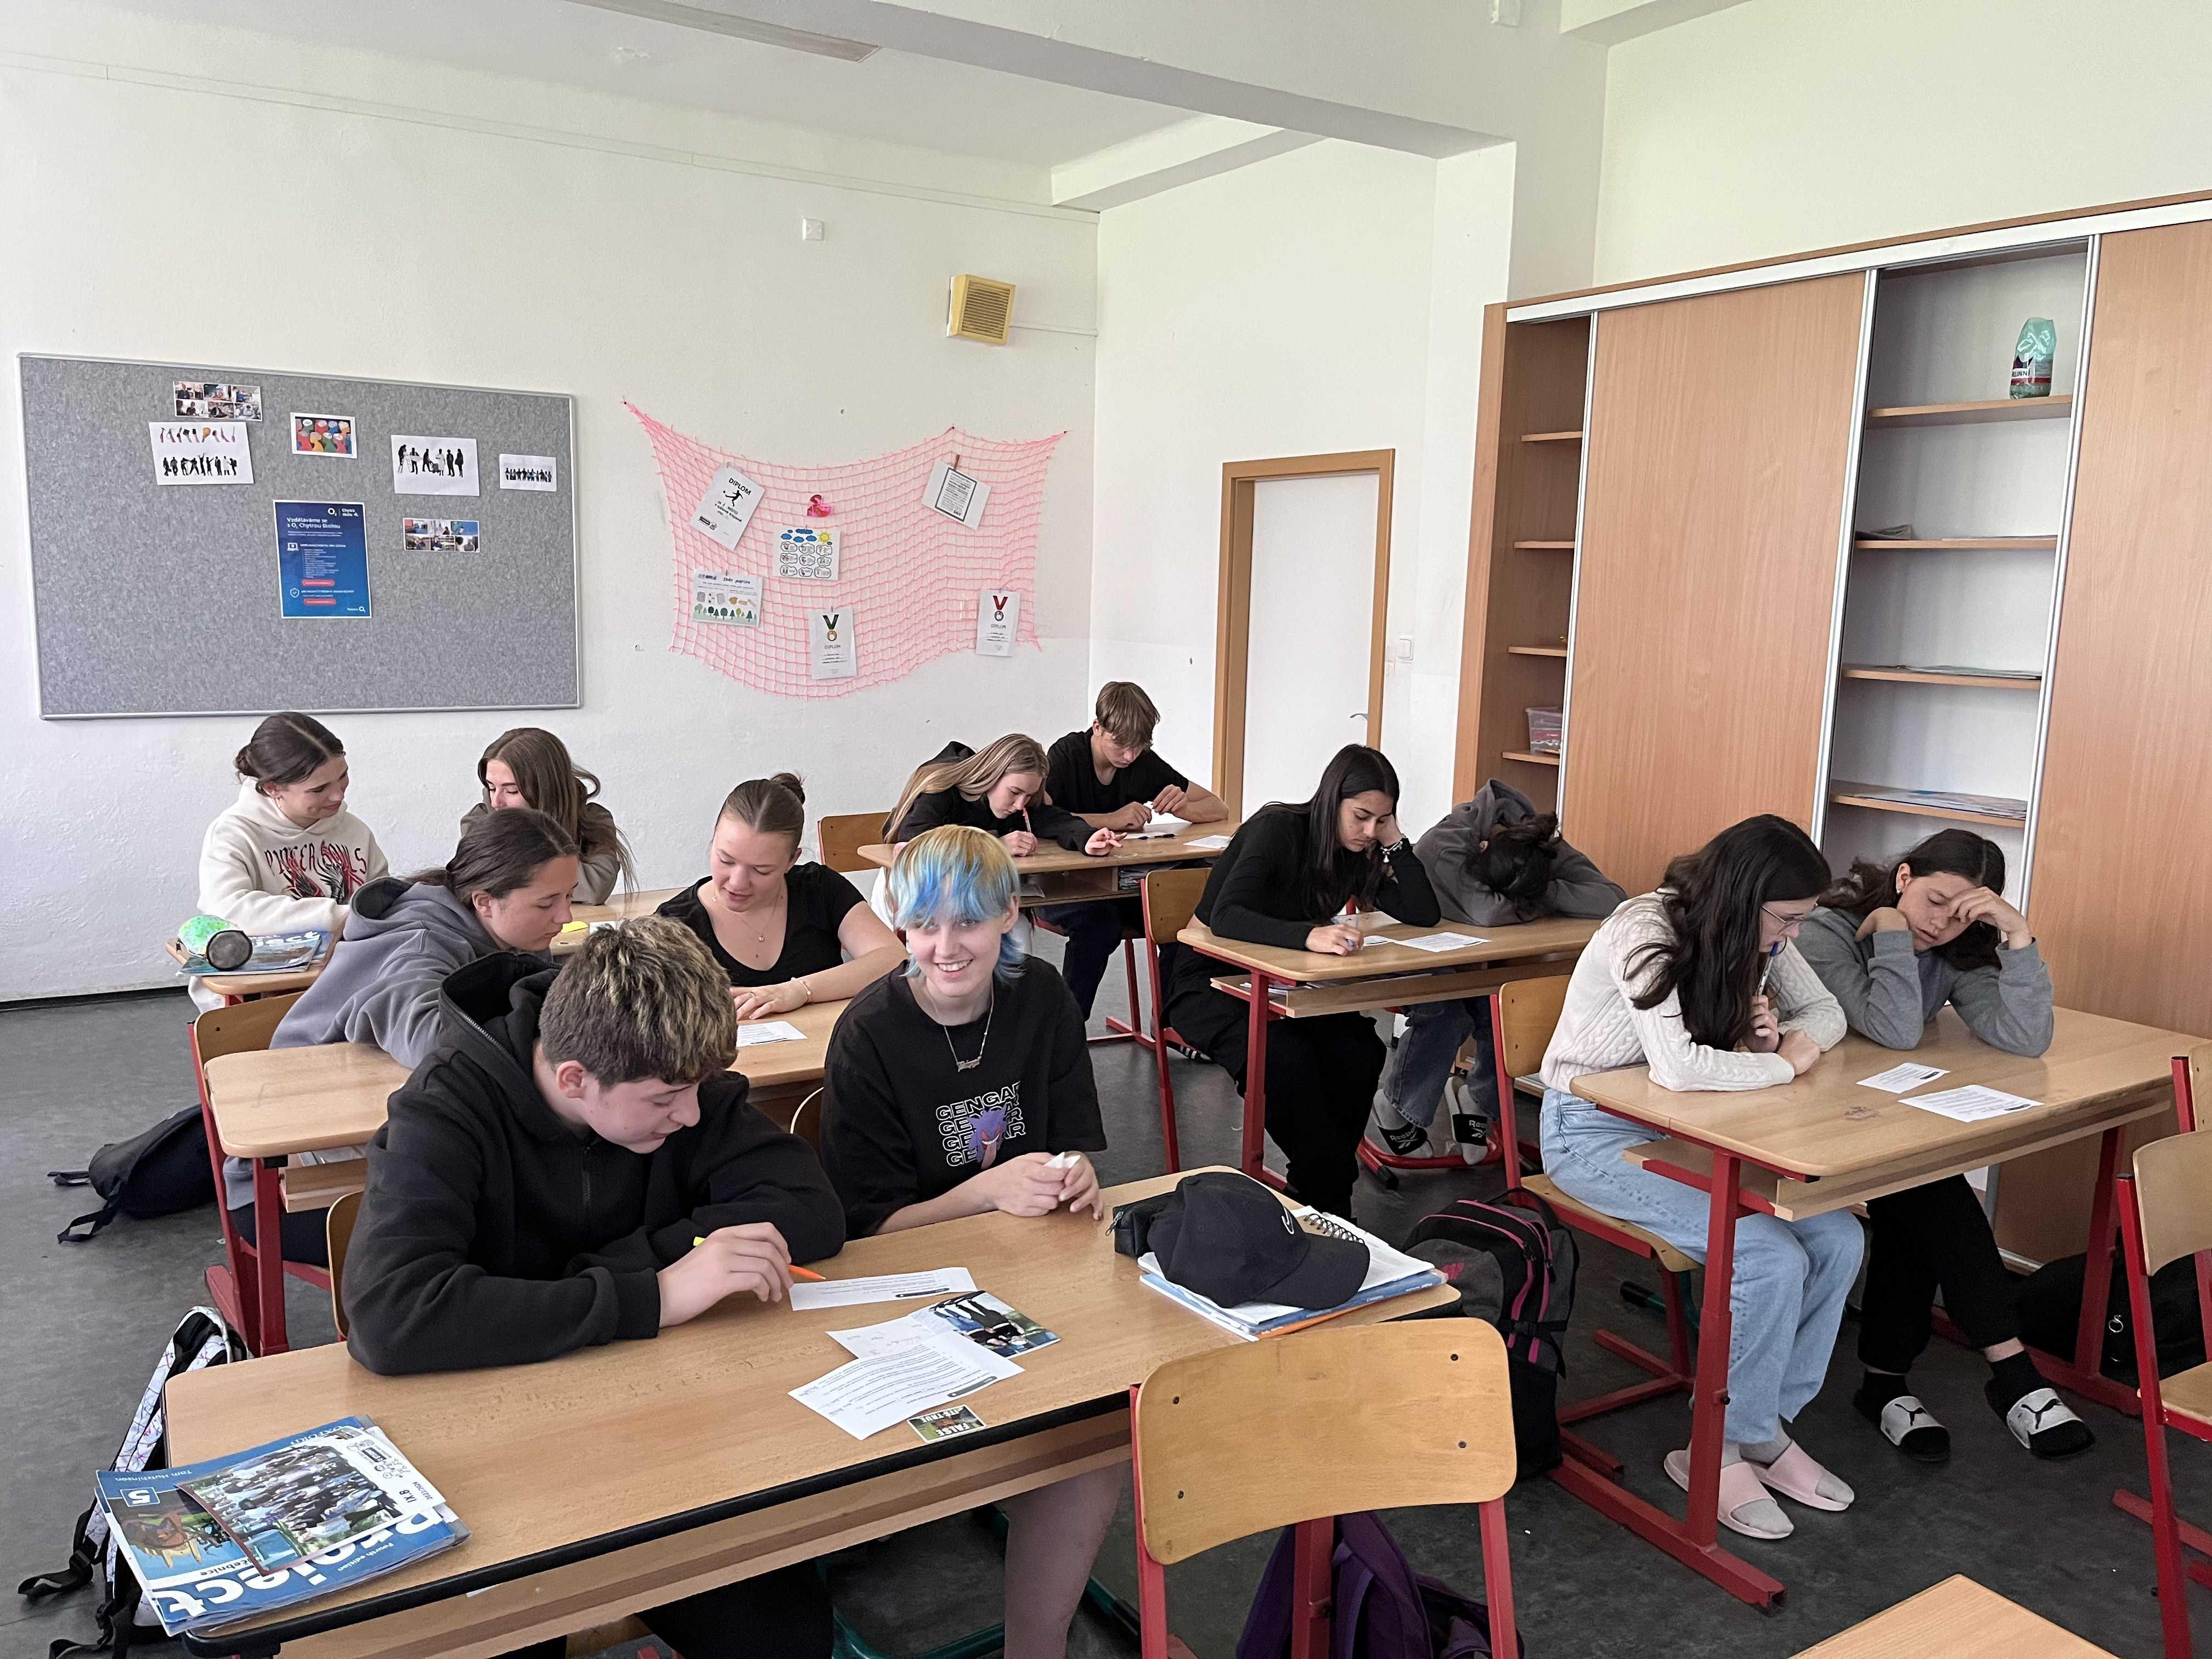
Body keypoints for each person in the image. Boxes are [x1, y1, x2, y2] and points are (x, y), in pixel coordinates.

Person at [342, 918, 842, 1659]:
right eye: (668, 1098)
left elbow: (810, 1210)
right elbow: (391, 1316)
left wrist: (638, 1273)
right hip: (497, 1458)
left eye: (697, 1090)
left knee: (785, 1641)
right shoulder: (446, 1106)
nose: (691, 1114)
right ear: (575, 1079)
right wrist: (655, 1295)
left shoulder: (671, 1065)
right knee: (504, 1639)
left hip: (669, 1440)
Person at [821, 826, 1118, 1659]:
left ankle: (1037, 1642)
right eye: (924, 926)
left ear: (1009, 916)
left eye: (968, 923)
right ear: (900, 926)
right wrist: (987, 1192)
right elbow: (866, 1235)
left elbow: (1072, 1147)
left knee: (1099, 1431)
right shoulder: (870, 1034)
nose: (945, 947)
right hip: (901, 1294)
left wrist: (1075, 1176)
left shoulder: (1043, 999)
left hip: (1027, 1272)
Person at [1537, 814, 1855, 1542]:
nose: (1793, 935)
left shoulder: (1759, 935)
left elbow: (1825, 1011)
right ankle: (1717, 1450)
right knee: (1768, 1256)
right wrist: (1782, 1066)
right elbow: (1679, 1068)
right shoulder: (1643, 929)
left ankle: (1763, 1428)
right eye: (1787, 919)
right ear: (1745, 897)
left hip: (1690, 1129)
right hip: (1589, 1133)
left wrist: (1787, 1041)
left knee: (1837, 1237)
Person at [1797, 828, 2091, 1464]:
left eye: (1962, 915)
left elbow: (2025, 1037)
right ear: (1903, 877)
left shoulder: (1952, 947)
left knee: (1918, 1194)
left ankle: (1886, 1384)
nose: (1942, 924)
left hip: (1879, 1119)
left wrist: (2019, 939)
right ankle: (2009, 1373)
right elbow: (1895, 1029)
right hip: (1801, 1124)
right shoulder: (1827, 932)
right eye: (1934, 902)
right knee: (1928, 1189)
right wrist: (1891, 935)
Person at [241, 810, 580, 1266]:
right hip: (292, 1176)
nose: (565, 916)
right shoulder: (422, 943)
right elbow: (429, 1039)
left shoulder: (504, 932)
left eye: (569, 896)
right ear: (484, 901)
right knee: (520, 1221)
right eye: (547, 903)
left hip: (373, 1136)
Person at [1162, 744, 1440, 1218]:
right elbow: (1226, 916)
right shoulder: (1277, 829)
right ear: (1332, 800)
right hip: (1210, 979)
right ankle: (1330, 1195)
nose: (1369, 831)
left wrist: (1394, 839)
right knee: (1283, 1058)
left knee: (1360, 1051)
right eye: (1361, 817)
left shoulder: (1357, 851)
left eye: (1382, 820)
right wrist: (1308, 936)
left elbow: (1422, 912)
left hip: (1286, 985)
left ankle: (1318, 1190)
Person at [1373, 779, 1627, 1159]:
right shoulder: (1447, 843)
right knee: (1446, 1012)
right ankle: (1396, 1103)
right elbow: (1488, 912)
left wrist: (1541, 889)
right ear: (1482, 849)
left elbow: (1612, 899)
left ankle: (1475, 1098)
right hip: (1413, 950)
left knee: (1506, 1006)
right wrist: (1536, 899)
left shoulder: (1537, 845)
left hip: (1476, 957)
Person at [1037, 681, 1229, 1018]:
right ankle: (1067, 1028)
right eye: (1121, 745)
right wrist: (1111, 819)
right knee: (1099, 925)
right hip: (1065, 885)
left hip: (1123, 884)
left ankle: (1172, 1021)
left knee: (1181, 910)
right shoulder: (1067, 755)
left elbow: (1218, 808)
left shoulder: (1142, 763)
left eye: (1138, 747)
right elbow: (1041, 816)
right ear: (1098, 727)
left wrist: (1184, 808)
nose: (1129, 756)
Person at [657, 774, 905, 1017]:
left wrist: (799, 990)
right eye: (726, 860)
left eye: (761, 870)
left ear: (792, 861)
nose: (737, 882)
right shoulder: (673, 925)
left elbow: (894, 959)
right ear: (714, 838)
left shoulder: (819, 888)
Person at [195, 712, 387, 1012]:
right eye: (318, 789)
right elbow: (230, 912)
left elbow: (381, 899)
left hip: (347, 980)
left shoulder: (354, 830)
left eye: (343, 776)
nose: (338, 795)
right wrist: (340, 916)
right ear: (273, 788)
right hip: (265, 993)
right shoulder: (233, 833)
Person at [462, 726, 635, 904]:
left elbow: (594, 889)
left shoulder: (595, 819)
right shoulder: (479, 822)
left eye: (512, 791)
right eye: (491, 788)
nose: (496, 802)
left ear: (546, 790)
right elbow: (490, 886)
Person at [884, 734, 1120, 858]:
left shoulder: (1019, 802)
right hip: (914, 895)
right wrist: (996, 847)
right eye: (1015, 792)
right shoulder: (942, 787)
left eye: (1028, 796)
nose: (1020, 805)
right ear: (991, 775)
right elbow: (915, 841)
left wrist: (1088, 838)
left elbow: (1054, 820)